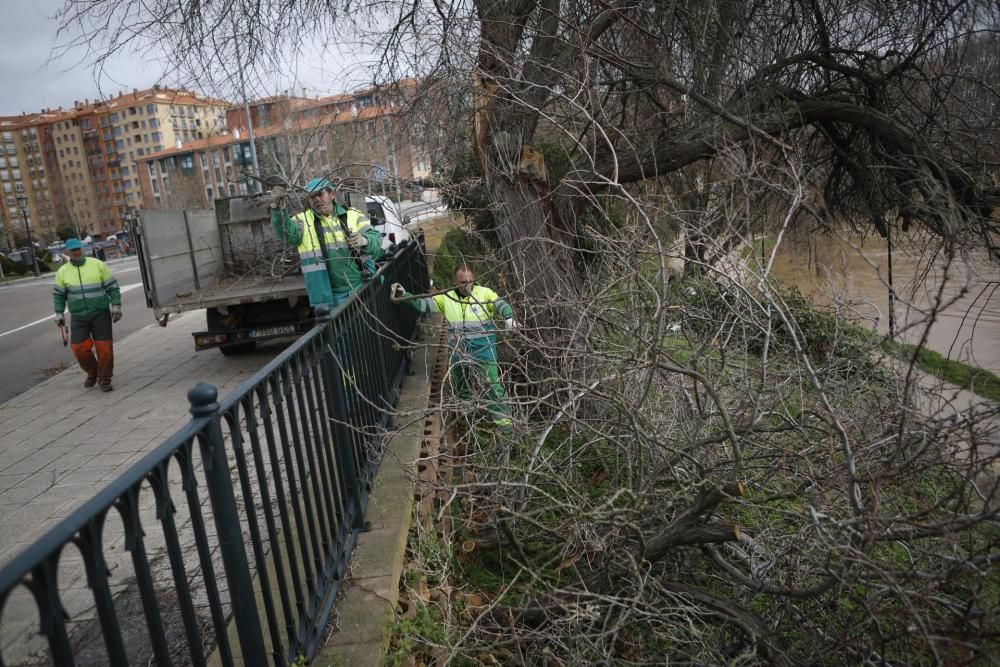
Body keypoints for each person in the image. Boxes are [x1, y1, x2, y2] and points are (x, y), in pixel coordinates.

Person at [391, 265, 520, 427]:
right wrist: (405, 296)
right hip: (458, 352)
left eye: (469, 281)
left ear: (474, 280)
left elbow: (500, 304)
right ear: (454, 281)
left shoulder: (484, 293)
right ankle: (469, 422)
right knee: (461, 387)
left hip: (484, 351)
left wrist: (508, 317)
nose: (466, 285)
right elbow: (423, 304)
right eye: (462, 282)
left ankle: (505, 426)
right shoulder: (446, 298)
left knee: (493, 387)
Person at [270, 177, 383, 308]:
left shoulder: (353, 215)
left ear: (332, 194)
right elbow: (285, 233)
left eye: (320, 194)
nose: (317, 199)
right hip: (328, 298)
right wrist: (277, 207)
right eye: (312, 197)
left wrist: (365, 240)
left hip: (361, 287)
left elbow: (376, 240)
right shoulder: (303, 221)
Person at [53, 238, 122, 392]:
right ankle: (93, 372)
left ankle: (104, 379)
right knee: (78, 348)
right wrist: (59, 313)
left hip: (100, 313)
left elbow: (112, 287)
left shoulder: (97, 265)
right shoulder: (63, 272)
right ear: (67, 252)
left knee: (104, 348)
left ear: (83, 249)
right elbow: (59, 295)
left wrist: (116, 306)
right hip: (78, 316)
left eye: (78, 249)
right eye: (73, 250)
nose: (76, 252)